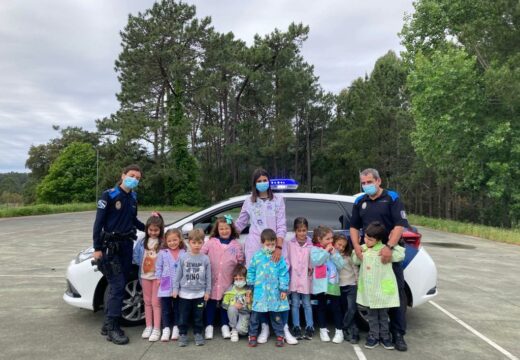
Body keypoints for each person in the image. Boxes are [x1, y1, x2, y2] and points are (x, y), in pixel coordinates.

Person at [349, 168, 410, 351]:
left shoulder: (391, 198)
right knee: (370, 295)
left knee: (395, 294)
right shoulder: (360, 201)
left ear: (378, 181)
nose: (366, 185)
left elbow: (400, 225)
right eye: (364, 183)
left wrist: (389, 247)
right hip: (368, 257)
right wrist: (357, 247)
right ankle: (375, 334)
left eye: (369, 182)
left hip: (389, 255)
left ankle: (397, 334)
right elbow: (353, 227)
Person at [235, 168, 296, 344]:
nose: (262, 182)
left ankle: (283, 327)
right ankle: (264, 327)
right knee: (260, 291)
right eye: (259, 180)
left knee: (278, 289)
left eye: (265, 179)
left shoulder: (278, 200)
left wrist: (278, 247)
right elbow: (241, 223)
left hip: (275, 247)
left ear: (269, 181)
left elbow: (282, 225)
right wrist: (223, 230)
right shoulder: (249, 201)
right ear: (254, 183)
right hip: (256, 248)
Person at [92, 164, 145, 345]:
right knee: (118, 286)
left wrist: (153, 228)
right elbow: (98, 223)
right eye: (132, 175)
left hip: (126, 246)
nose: (135, 179)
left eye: (138, 178)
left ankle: (107, 324)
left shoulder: (133, 197)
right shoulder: (109, 195)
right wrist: (97, 248)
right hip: (110, 248)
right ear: (123, 175)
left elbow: (133, 220)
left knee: (118, 286)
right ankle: (113, 329)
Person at [352, 222, 405, 350]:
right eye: (365, 237)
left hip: (382, 292)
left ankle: (385, 337)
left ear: (379, 240)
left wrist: (393, 244)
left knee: (383, 315)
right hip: (370, 292)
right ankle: (373, 336)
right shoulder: (363, 249)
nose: (367, 240)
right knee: (372, 316)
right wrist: (358, 248)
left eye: (370, 239)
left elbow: (400, 255)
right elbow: (355, 260)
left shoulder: (385, 251)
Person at [202, 215, 244, 340]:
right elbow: (202, 256)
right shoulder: (210, 242)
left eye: (227, 228)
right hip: (212, 280)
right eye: (221, 229)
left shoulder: (236, 245)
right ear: (217, 230)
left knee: (225, 304)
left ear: (231, 229)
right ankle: (209, 325)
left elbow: (240, 262)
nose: (224, 231)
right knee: (211, 302)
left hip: (228, 281)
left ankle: (225, 325)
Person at [247, 229, 290, 348]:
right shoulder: (257, 257)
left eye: (272, 244)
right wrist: (250, 288)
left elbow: (283, 273)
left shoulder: (278, 257)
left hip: (274, 293)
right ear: (262, 243)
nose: (270, 247)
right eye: (268, 244)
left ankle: (280, 335)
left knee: (276, 315)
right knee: (255, 316)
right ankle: (253, 335)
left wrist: (283, 289)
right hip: (260, 293)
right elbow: (251, 272)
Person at [173, 229, 211, 347]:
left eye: (199, 243)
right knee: (183, 316)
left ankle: (198, 333)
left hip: (199, 294)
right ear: (189, 242)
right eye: (194, 243)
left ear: (203, 243)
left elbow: (208, 277)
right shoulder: (183, 257)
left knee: (198, 317)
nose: (197, 245)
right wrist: (175, 289)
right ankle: (183, 334)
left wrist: (207, 291)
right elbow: (178, 274)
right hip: (184, 294)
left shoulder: (205, 259)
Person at [310, 225, 345, 343]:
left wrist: (334, 253)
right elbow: (316, 261)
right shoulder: (314, 249)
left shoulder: (334, 250)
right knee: (321, 307)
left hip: (332, 284)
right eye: (327, 239)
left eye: (331, 239)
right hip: (320, 284)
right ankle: (323, 330)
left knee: (336, 307)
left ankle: (339, 331)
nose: (331, 241)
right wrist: (326, 251)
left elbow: (341, 265)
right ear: (320, 239)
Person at [132, 212, 164, 342]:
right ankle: (148, 326)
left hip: (157, 278)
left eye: (156, 230)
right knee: (147, 302)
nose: (153, 232)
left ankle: (157, 328)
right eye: (151, 230)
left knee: (156, 303)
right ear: (147, 229)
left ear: (160, 230)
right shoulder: (142, 242)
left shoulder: (162, 243)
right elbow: (135, 257)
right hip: (145, 277)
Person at [284, 217, 314, 340]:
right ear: (295, 231)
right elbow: (287, 259)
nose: (302, 233)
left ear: (307, 230)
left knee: (307, 303)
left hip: (306, 279)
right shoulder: (290, 244)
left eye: (304, 230)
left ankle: (309, 326)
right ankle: (296, 326)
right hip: (294, 279)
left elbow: (314, 260)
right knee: (295, 304)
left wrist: (311, 267)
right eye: (299, 230)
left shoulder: (311, 245)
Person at [155, 228, 186, 342]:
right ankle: (166, 328)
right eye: (170, 241)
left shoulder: (184, 252)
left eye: (175, 240)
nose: (172, 243)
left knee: (178, 308)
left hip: (179, 286)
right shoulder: (163, 253)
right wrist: (158, 278)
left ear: (180, 239)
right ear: (166, 241)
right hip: (165, 285)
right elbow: (158, 266)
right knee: (166, 309)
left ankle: (176, 327)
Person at [333, 233, 359, 344]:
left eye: (343, 246)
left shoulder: (349, 255)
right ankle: (351, 331)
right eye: (339, 244)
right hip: (339, 286)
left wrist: (358, 281)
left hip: (351, 284)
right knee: (344, 309)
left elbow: (355, 268)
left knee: (351, 309)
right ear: (333, 243)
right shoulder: (332, 255)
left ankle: (344, 327)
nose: (341, 248)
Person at [222, 264, 252, 342]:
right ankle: (233, 329)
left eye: (241, 278)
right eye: (236, 279)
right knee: (232, 308)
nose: (238, 281)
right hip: (233, 313)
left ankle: (245, 328)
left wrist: (249, 303)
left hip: (244, 313)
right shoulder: (231, 289)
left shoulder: (248, 290)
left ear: (245, 278)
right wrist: (233, 304)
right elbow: (224, 304)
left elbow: (252, 309)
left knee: (242, 331)